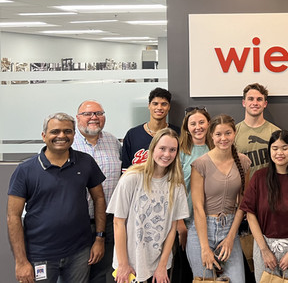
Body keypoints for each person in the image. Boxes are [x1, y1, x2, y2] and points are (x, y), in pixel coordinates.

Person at [7, 113, 106, 283]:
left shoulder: (86, 162)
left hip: (80, 252)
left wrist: (99, 238)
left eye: (67, 131)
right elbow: (13, 216)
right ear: (44, 136)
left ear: (74, 135)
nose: (61, 136)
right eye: (55, 131)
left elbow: (99, 199)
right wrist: (21, 262)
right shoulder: (25, 170)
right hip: (40, 254)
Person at [108, 128, 188, 283]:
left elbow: (172, 228)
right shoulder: (131, 178)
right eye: (162, 148)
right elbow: (118, 223)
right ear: (153, 149)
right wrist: (123, 264)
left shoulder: (176, 185)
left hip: (159, 264)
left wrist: (162, 265)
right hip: (130, 263)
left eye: (172, 150)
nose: (167, 154)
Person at [241, 130, 288, 283]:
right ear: (269, 151)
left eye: (285, 148)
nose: (280, 152)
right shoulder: (259, 177)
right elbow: (250, 214)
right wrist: (264, 250)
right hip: (264, 245)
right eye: (275, 148)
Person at [188, 114, 251, 282]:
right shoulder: (200, 164)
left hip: (230, 229)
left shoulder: (244, 162)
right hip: (202, 232)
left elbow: (243, 204)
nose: (223, 138)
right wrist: (204, 248)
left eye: (228, 133)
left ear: (234, 133)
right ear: (211, 135)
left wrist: (231, 238)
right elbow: (198, 207)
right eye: (218, 134)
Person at [73, 100, 122, 283]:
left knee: (101, 273)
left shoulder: (113, 142)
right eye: (87, 114)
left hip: (108, 221)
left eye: (99, 113)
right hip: (77, 222)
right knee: (74, 274)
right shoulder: (68, 144)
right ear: (78, 118)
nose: (94, 117)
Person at [174, 107, 212, 280]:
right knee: (190, 273)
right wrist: (180, 222)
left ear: (209, 124)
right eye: (193, 123)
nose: (198, 127)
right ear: (187, 127)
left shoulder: (216, 149)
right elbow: (174, 188)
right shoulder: (180, 152)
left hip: (212, 221)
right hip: (188, 222)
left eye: (201, 122)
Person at [121, 87, 180, 171]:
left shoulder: (177, 133)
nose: (159, 107)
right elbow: (125, 169)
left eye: (164, 104)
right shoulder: (133, 135)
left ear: (169, 107)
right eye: (155, 104)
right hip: (139, 182)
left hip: (167, 182)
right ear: (149, 106)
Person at [234, 83, 280, 177]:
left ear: (265, 104)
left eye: (259, 99)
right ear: (244, 103)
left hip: (268, 188)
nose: (255, 103)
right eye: (250, 99)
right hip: (242, 189)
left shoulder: (276, 133)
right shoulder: (233, 132)